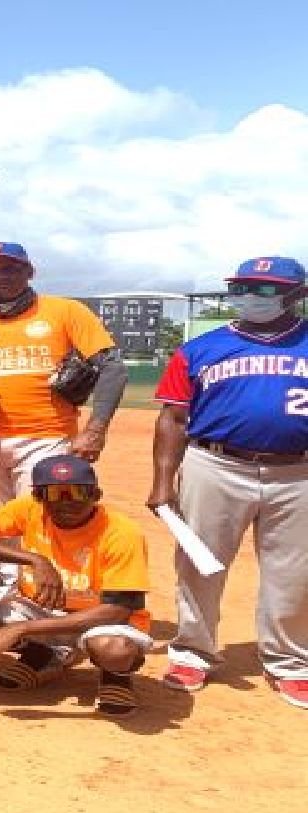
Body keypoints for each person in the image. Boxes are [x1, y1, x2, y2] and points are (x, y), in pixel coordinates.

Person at [148, 256, 308, 709]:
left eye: (264, 289)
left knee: (295, 572)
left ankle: (290, 662)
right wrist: (163, 482)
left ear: (298, 295)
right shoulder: (200, 348)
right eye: (244, 287)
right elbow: (174, 417)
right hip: (215, 465)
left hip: (300, 472)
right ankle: (193, 651)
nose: (250, 297)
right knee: (199, 563)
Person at [0, 242, 127, 503]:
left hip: (47, 437)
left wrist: (95, 430)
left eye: (10, 268)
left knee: (38, 519)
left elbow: (112, 367)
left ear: (30, 271)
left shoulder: (65, 311)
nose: (1, 276)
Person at [0, 455, 152, 716]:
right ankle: (42, 657)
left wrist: (22, 629)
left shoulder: (122, 532)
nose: (67, 502)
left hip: (102, 620)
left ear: (96, 494)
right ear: (38, 497)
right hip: (41, 609)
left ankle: (115, 677)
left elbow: (117, 610)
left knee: (114, 650)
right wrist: (34, 559)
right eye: (54, 493)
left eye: (79, 492)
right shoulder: (28, 510)